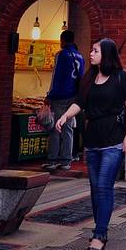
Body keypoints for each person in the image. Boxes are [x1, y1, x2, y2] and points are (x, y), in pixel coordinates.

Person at [55, 38, 126, 250]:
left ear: (106, 54)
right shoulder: (89, 77)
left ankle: (99, 235)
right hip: (92, 141)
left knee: (103, 186)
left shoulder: (121, 77)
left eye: (95, 50)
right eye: (91, 50)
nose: (91, 54)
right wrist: (65, 116)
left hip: (114, 140)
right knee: (94, 189)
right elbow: (79, 102)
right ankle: (100, 230)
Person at [43, 30, 85, 172]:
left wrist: (50, 95)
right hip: (73, 97)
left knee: (55, 127)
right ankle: (66, 160)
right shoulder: (80, 56)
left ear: (63, 40)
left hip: (60, 96)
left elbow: (56, 76)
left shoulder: (61, 55)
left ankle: (52, 160)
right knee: (68, 128)